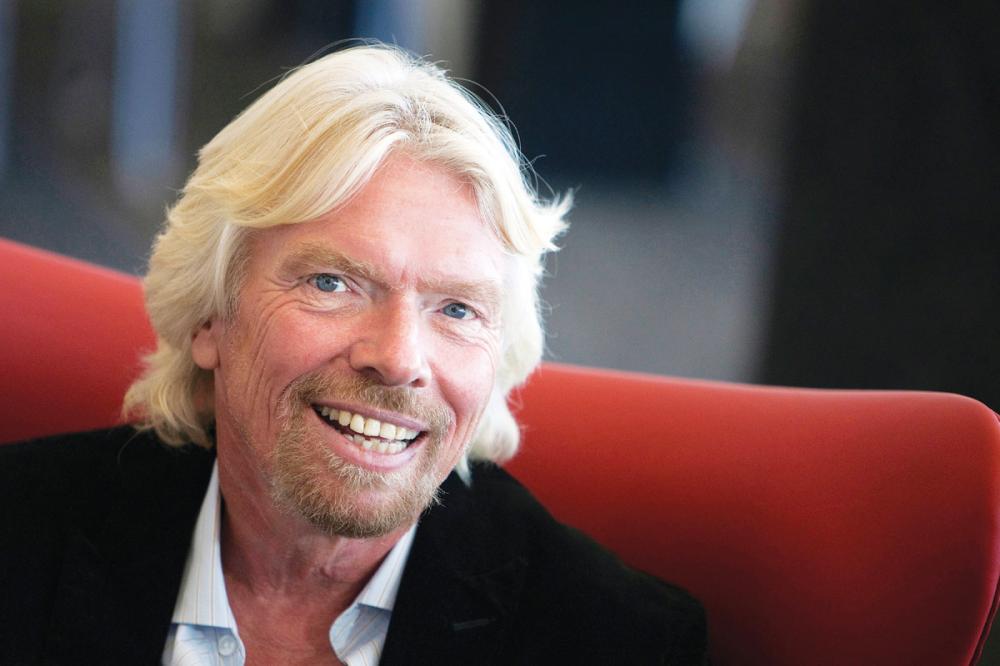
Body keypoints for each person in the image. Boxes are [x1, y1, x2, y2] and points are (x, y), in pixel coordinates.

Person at [0, 44, 706, 664]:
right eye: (332, 283)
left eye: (456, 309)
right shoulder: (21, 540)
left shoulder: (617, 642)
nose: (399, 358)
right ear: (210, 316)